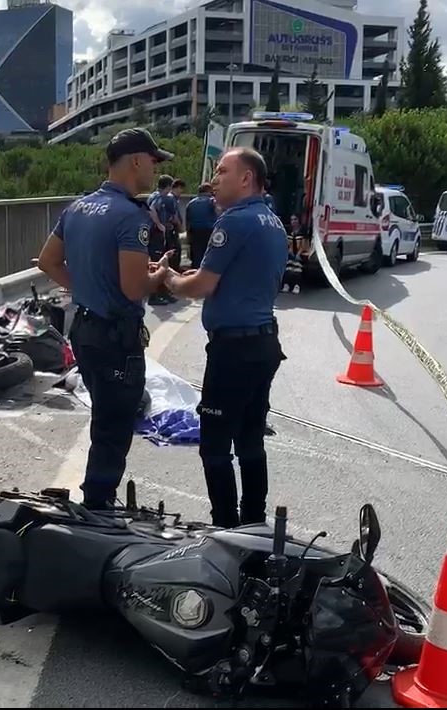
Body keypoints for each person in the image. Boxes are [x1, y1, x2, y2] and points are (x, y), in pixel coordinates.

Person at [37, 127, 173, 509]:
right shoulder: (132, 217)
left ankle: (97, 497)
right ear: (134, 162)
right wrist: (158, 276)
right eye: (153, 160)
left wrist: (85, 289)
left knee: (104, 417)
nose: (154, 167)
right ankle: (98, 504)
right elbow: (133, 289)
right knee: (114, 427)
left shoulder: (78, 206)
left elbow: (48, 261)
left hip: (84, 328)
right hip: (116, 336)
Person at [163, 147, 287, 528]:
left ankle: (226, 529)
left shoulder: (233, 221)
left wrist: (168, 278)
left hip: (233, 349)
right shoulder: (272, 222)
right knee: (250, 440)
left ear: (246, 178)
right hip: (263, 342)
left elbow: (200, 286)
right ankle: (253, 524)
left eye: (222, 171)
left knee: (215, 446)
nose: (214, 179)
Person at [146, 175, 179, 306]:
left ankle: (162, 292)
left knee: (160, 261)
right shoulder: (160, 198)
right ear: (169, 187)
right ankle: (154, 295)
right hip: (157, 234)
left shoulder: (153, 195)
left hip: (153, 233)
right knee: (158, 262)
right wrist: (159, 224)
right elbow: (152, 209)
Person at [185, 182, 218, 268]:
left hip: (194, 231)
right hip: (209, 231)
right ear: (209, 191)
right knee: (209, 254)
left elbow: (187, 221)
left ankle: (195, 271)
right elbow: (219, 213)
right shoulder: (212, 201)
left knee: (196, 254)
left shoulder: (190, 203)